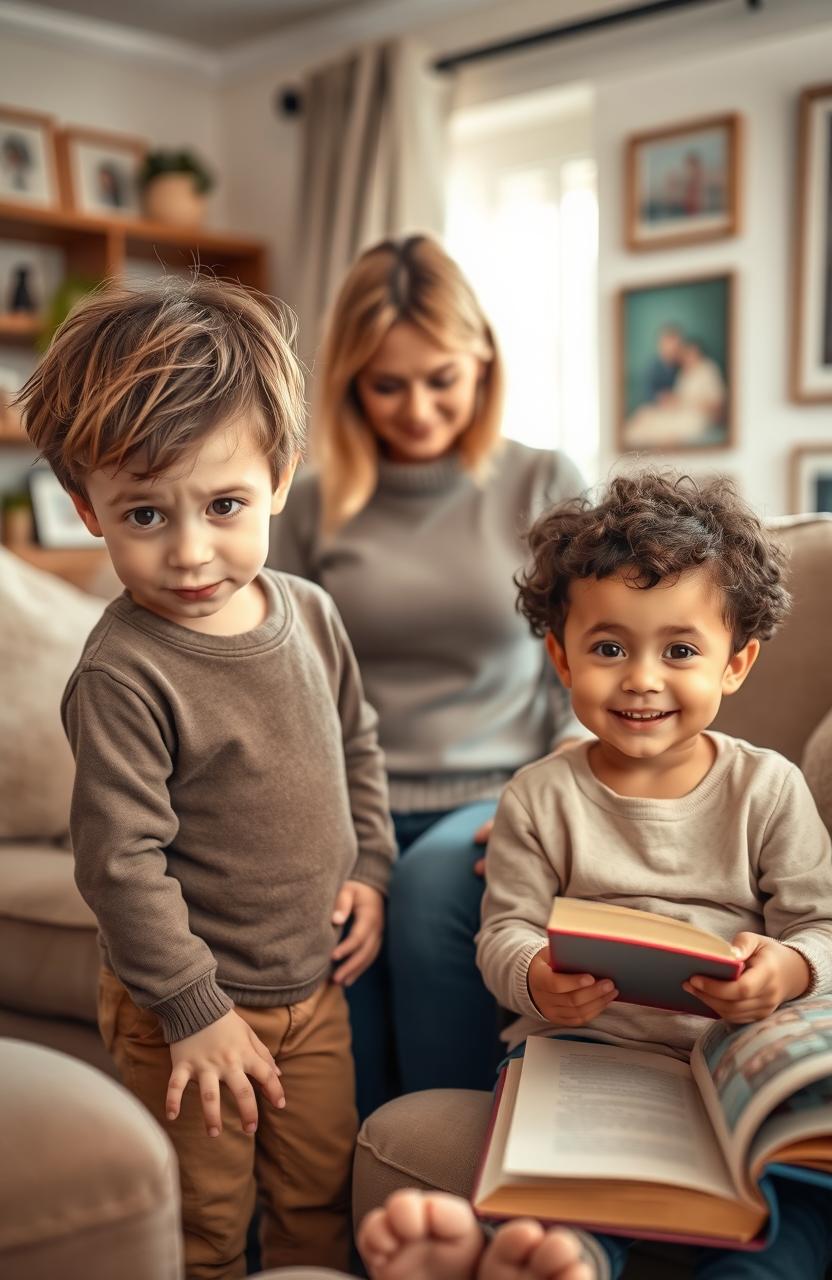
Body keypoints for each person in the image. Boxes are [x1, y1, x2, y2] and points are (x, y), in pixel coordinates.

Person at [357, 471, 832, 1280]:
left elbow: (820, 926)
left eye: (680, 650)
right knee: (567, 1192)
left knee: (790, 1226)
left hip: (736, 1070)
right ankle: (558, 1258)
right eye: (609, 648)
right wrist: (538, 979)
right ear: (561, 657)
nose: (642, 677)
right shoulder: (540, 794)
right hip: (589, 1055)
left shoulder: (768, 787)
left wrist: (785, 968)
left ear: (736, 663)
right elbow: (503, 929)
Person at [18, 277, 396, 1279]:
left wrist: (372, 867)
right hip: (182, 1007)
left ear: (280, 475)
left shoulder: (311, 613)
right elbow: (118, 863)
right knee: (202, 1225)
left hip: (312, 990)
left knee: (319, 1197)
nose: (190, 552)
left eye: (223, 505)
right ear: (85, 507)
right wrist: (195, 1009)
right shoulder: (122, 672)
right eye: (144, 512)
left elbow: (356, 742)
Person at [270, 233, 587, 1118]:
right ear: (349, 384)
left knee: (428, 895)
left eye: (440, 378)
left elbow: (596, 647)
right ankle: (358, 1200)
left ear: (481, 361)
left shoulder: (543, 479)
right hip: (346, 800)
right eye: (387, 383)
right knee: (322, 935)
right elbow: (282, 676)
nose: (417, 408)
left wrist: (559, 772)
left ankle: (444, 1173)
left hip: (493, 794)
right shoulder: (306, 504)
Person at [627, 337, 726, 449]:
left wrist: (688, 402)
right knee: (643, 414)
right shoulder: (684, 373)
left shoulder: (708, 369)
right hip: (679, 411)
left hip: (697, 418)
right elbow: (680, 397)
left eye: (691, 354)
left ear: (698, 353)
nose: (688, 357)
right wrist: (671, 400)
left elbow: (717, 404)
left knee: (651, 429)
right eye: (685, 354)